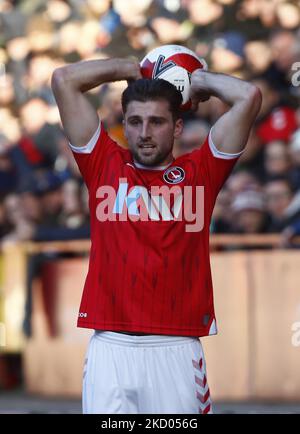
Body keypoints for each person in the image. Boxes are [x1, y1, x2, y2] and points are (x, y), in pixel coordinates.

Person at [51, 57, 262, 414]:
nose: (145, 132)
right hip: (110, 348)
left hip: (176, 348)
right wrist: (130, 68)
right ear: (124, 126)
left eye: (157, 121)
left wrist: (199, 81)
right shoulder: (102, 163)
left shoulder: (202, 172)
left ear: (177, 127)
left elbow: (249, 96)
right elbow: (63, 79)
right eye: (134, 121)